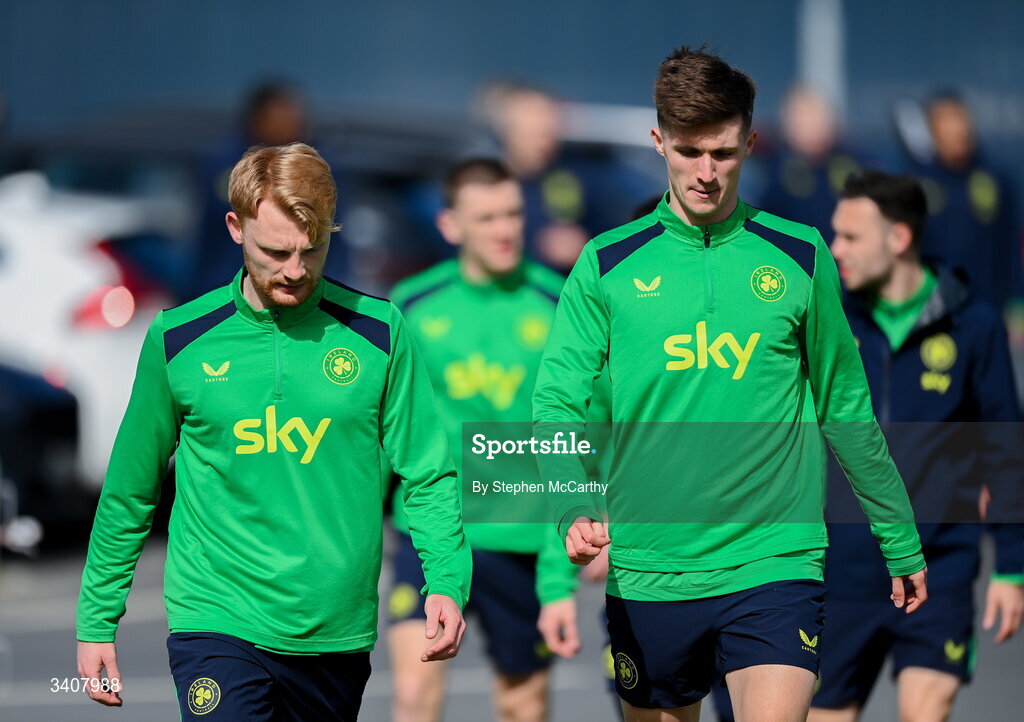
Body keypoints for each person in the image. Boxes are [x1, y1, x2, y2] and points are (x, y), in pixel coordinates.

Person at [533, 46, 928, 722]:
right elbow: (555, 406)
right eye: (689, 152)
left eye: (723, 152)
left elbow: (845, 406)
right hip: (651, 567)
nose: (707, 173)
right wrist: (573, 504)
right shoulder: (606, 264)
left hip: (774, 560)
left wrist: (899, 536)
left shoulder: (801, 255)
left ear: (749, 140)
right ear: (659, 141)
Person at [76, 143, 471, 720]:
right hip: (216, 617)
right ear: (236, 228)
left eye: (313, 251)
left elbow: (429, 473)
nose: (295, 270)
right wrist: (96, 620)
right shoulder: (179, 340)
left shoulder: (380, 334)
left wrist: (446, 581)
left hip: (333, 630)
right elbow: (130, 490)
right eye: (276, 251)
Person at [803, 171, 1024, 722]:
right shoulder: (824, 317)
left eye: (851, 237)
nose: (836, 250)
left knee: (926, 711)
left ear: (898, 239)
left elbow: (1005, 450)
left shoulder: (975, 326)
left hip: (941, 566)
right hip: (840, 571)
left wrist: (1012, 567)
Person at [387, 158, 580, 722]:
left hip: (520, 534)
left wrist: (559, 570)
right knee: (411, 694)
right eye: (487, 216)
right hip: (433, 530)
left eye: (513, 213)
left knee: (523, 707)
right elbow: (386, 431)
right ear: (450, 225)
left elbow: (571, 442)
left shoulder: (556, 302)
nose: (504, 229)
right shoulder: (412, 306)